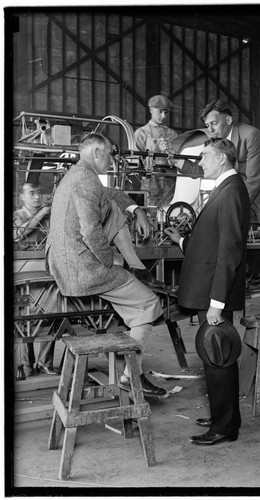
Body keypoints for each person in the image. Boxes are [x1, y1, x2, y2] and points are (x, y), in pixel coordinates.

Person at [45, 132, 166, 397]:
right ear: (97, 152)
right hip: (82, 267)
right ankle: (130, 376)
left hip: (67, 260)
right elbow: (90, 233)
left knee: (112, 204)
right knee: (149, 304)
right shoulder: (86, 181)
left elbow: (110, 193)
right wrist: (110, 260)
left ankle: (133, 269)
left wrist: (137, 210)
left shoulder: (78, 175)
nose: (111, 159)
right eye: (110, 153)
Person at [172, 98, 260, 319]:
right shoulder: (219, 142)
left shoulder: (252, 136)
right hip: (247, 196)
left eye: (213, 123)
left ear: (228, 119)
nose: (209, 129)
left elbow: (255, 179)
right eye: (207, 124)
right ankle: (227, 301)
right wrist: (178, 162)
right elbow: (207, 169)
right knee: (231, 249)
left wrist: (235, 207)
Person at [165, 137, 250, 445]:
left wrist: (216, 303)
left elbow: (229, 251)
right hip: (211, 289)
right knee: (216, 356)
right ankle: (222, 415)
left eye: (205, 157)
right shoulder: (224, 188)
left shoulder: (230, 192)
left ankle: (225, 428)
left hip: (216, 293)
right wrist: (183, 241)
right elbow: (210, 244)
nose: (200, 163)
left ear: (223, 159)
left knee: (218, 356)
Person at [13, 182, 56, 376]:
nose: (37, 197)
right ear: (22, 197)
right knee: (23, 320)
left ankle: (44, 362)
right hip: (22, 278)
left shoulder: (48, 217)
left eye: (39, 192)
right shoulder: (17, 216)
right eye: (32, 193)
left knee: (53, 315)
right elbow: (16, 235)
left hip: (46, 274)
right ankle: (26, 364)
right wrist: (40, 215)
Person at [135, 95, 178, 206]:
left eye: (166, 112)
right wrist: (156, 150)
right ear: (151, 109)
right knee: (150, 215)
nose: (163, 116)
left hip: (171, 185)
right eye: (160, 112)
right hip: (150, 185)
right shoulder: (142, 133)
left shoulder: (173, 135)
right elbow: (135, 162)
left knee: (169, 215)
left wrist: (171, 153)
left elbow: (179, 160)